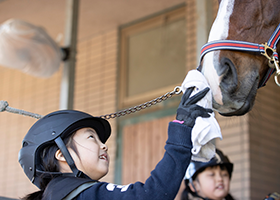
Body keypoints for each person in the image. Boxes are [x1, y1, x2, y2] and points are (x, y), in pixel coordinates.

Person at [18, 86, 213, 200]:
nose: (104, 145)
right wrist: (181, 130)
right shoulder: (83, 195)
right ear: (61, 154)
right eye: (91, 137)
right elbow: (152, 194)